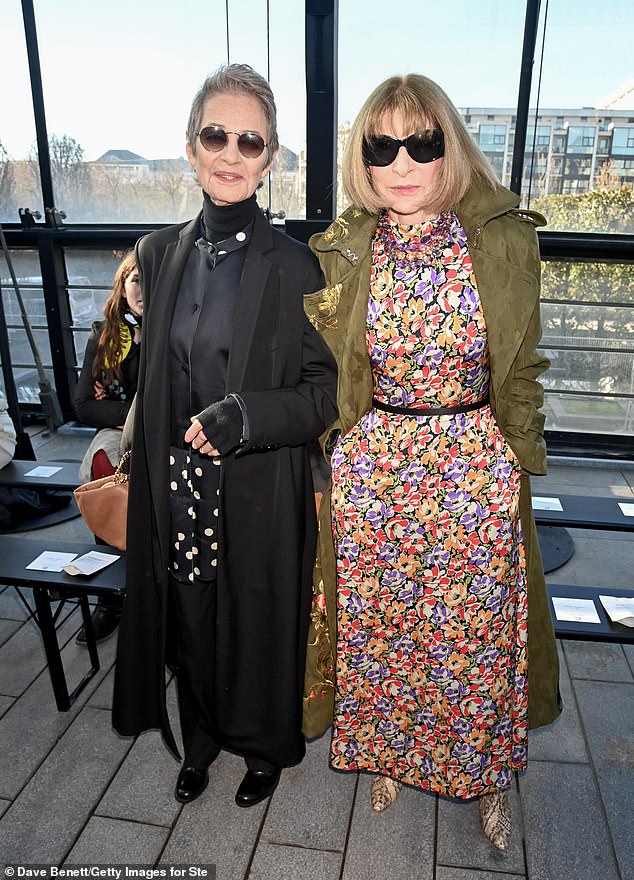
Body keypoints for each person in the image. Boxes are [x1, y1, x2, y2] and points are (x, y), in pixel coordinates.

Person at [303, 73, 561, 851]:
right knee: (385, 629)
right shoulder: (347, 248)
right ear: (363, 156)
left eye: (423, 141)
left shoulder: (503, 240)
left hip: (472, 463)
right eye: (383, 145)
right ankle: (390, 750)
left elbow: (521, 366)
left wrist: (517, 458)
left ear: (450, 147)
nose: (403, 161)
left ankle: (484, 776)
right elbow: (327, 367)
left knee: (475, 638)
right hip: (377, 466)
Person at [112, 63, 338, 810]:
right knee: (190, 616)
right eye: (218, 134)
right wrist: (135, 320)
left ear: (270, 158)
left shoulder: (294, 265)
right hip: (175, 482)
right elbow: (119, 377)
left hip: (258, 483)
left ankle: (266, 746)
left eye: (252, 140)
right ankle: (201, 740)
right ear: (190, 145)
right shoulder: (159, 254)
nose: (232, 152)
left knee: (257, 616)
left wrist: (247, 416)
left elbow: (325, 394)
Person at [74, 252, 143, 642]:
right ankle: (112, 595)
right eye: (136, 279)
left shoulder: (179, 327)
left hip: (173, 429)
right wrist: (135, 409)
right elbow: (85, 406)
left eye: (152, 280)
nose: (143, 289)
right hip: (121, 431)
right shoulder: (104, 334)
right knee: (104, 464)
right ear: (122, 285)